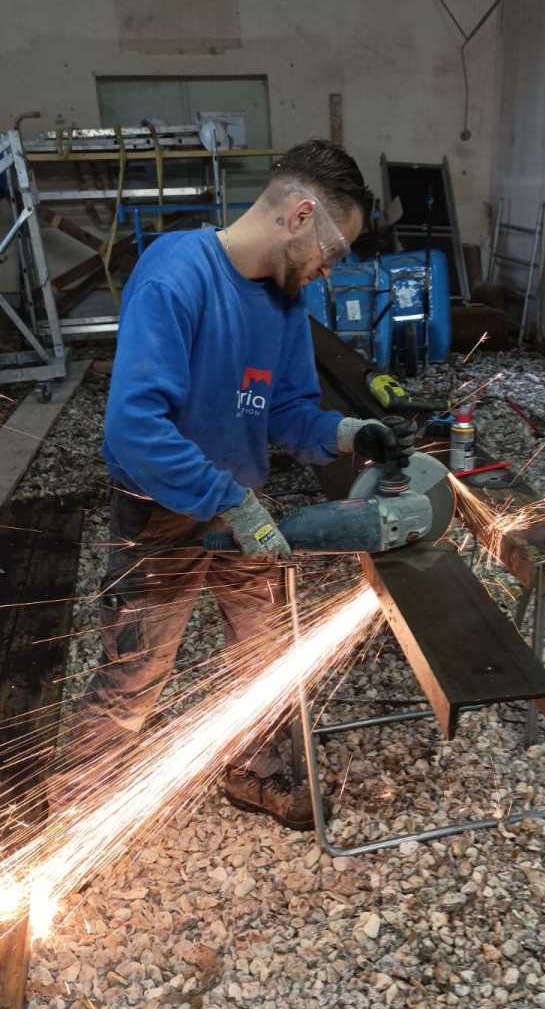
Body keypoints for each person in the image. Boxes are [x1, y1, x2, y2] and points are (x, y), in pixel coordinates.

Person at [56, 139, 413, 833]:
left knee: (263, 650)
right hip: (161, 507)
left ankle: (253, 766)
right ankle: (76, 819)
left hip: (241, 504)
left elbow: (286, 410)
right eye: (332, 252)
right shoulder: (176, 276)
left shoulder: (283, 303)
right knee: (136, 672)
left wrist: (347, 433)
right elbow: (135, 427)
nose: (329, 270)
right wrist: (227, 499)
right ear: (300, 215)